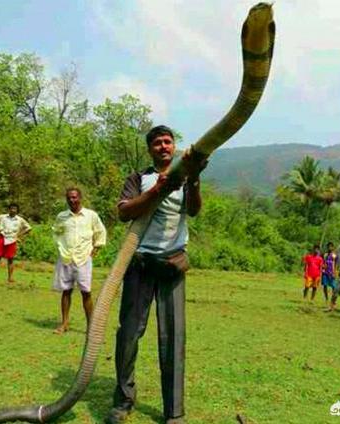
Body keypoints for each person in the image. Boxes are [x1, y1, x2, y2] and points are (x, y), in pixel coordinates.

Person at [106, 125, 207, 424]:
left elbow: (194, 211)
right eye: (157, 143)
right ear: (150, 149)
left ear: (174, 146)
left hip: (172, 265)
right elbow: (124, 212)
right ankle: (123, 401)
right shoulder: (139, 178)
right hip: (139, 264)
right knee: (128, 335)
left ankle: (174, 413)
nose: (163, 147)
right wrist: (158, 189)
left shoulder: (187, 175)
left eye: (168, 142)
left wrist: (195, 179)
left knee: (173, 338)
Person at [52, 188, 106, 335]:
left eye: (74, 197)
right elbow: (56, 232)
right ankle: (64, 324)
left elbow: (100, 232)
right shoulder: (62, 216)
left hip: (83, 258)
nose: (72, 200)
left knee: (86, 292)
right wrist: (60, 246)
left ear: (80, 198)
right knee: (66, 291)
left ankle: (90, 326)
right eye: (69, 198)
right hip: (66, 258)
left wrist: (96, 247)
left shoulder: (91, 216)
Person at [0, 203, 31, 283]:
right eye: (11, 208)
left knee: (10, 259)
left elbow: (28, 228)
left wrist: (19, 235)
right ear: (8, 209)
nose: (13, 210)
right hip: (1, 237)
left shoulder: (20, 220)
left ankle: (10, 278)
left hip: (12, 239)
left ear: (17, 210)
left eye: (15, 209)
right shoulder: (2, 217)